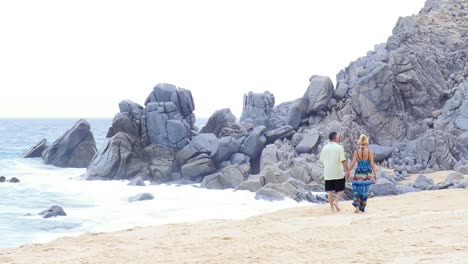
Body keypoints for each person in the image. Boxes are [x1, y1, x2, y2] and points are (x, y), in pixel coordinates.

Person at [346, 134, 377, 213]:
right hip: (366, 173)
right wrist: (375, 174)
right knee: (364, 190)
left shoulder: (356, 152)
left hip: (359, 172)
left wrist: (348, 171)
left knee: (357, 188)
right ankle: (362, 206)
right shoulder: (370, 152)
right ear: (367, 142)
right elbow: (372, 164)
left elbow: (353, 163)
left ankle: (356, 205)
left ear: (359, 142)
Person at [319, 131, 349, 213]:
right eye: (338, 137)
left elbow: (322, 160)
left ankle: (332, 208)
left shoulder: (324, 148)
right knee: (341, 189)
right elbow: (343, 160)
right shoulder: (339, 147)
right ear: (335, 138)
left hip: (328, 173)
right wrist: (348, 170)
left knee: (330, 191)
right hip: (338, 173)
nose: (339, 138)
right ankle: (336, 201)